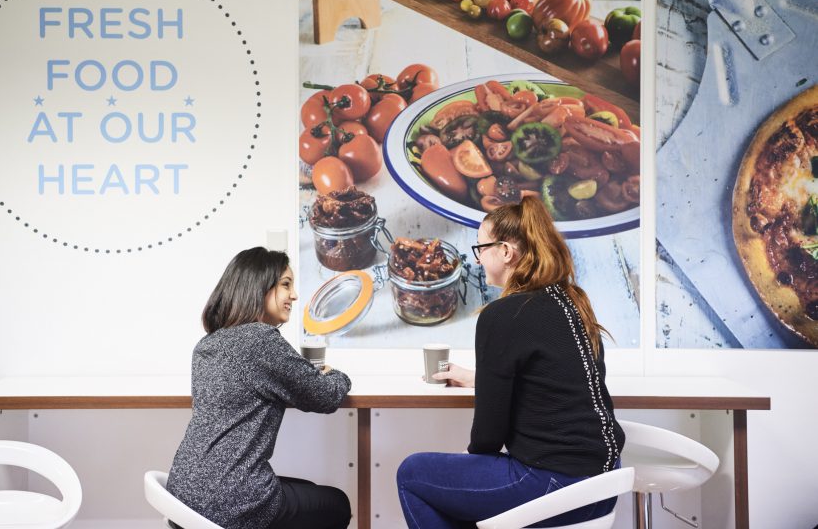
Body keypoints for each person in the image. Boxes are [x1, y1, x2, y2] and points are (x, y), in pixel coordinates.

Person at [396, 198, 626, 528]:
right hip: (603, 484)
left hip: (556, 486)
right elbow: (553, 376)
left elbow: (488, 437)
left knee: (412, 474)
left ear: (505, 251)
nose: (477, 259)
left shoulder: (502, 315)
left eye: (481, 248)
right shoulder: (574, 301)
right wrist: (481, 379)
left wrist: (468, 463)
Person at [167, 247, 352, 529]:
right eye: (285, 285)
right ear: (258, 287)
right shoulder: (260, 339)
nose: (294, 295)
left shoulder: (207, 344)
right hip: (230, 499)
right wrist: (338, 375)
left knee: (305, 488)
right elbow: (325, 397)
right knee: (337, 504)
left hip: (183, 494)